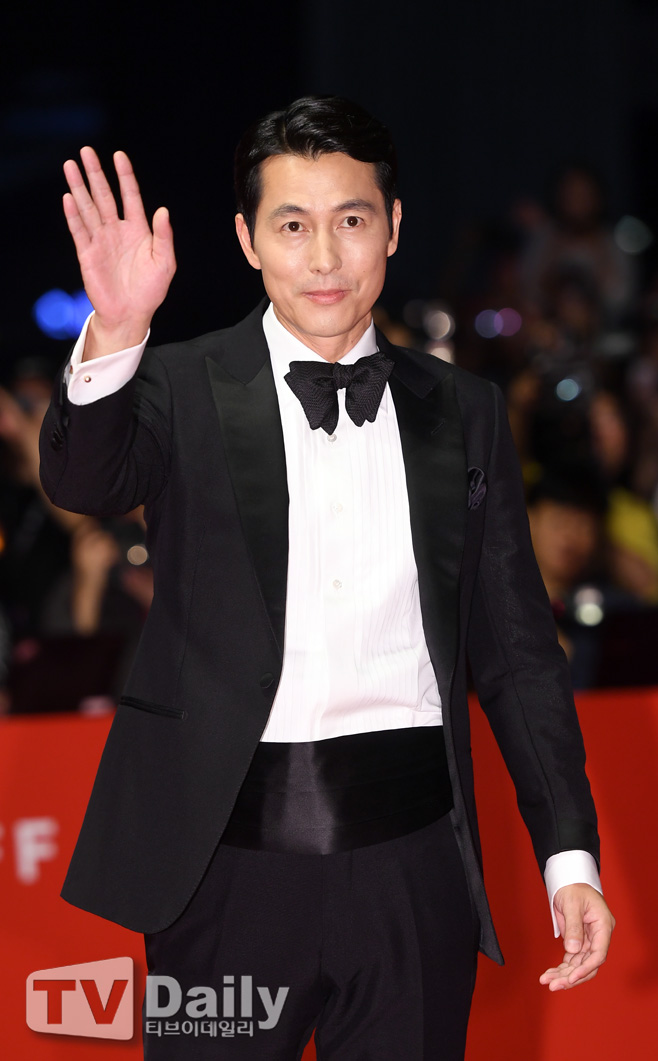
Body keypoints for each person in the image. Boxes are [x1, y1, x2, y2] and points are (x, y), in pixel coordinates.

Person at [39, 96, 614, 1059]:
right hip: (221, 869)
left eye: (350, 220)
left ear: (392, 227)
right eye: (292, 225)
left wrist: (568, 855)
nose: (324, 257)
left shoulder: (465, 412)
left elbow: (518, 653)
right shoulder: (179, 384)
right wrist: (118, 329)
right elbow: (83, 481)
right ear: (247, 240)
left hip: (416, 868)